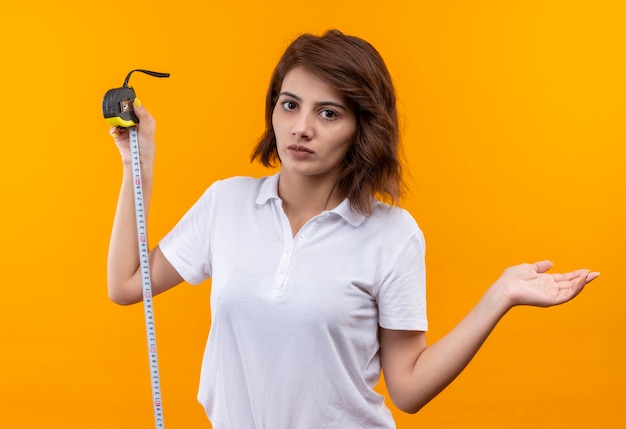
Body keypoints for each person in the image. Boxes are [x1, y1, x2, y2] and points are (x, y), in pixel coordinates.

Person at [107, 30, 599, 428]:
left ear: (362, 129)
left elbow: (407, 390)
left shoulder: (391, 235)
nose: (301, 127)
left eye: (328, 113)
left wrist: (499, 296)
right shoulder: (226, 203)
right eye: (289, 104)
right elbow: (127, 284)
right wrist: (138, 167)